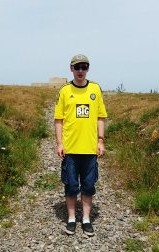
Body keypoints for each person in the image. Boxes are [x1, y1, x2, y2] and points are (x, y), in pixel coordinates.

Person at [54, 54, 107, 236]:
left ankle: (85, 219)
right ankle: (71, 219)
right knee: (70, 185)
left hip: (90, 149)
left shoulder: (95, 89)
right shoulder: (65, 91)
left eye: (84, 67)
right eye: (77, 67)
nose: (80, 71)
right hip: (70, 149)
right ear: (71, 69)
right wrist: (59, 143)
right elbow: (58, 120)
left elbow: (101, 117)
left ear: (88, 69)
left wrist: (100, 140)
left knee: (89, 185)